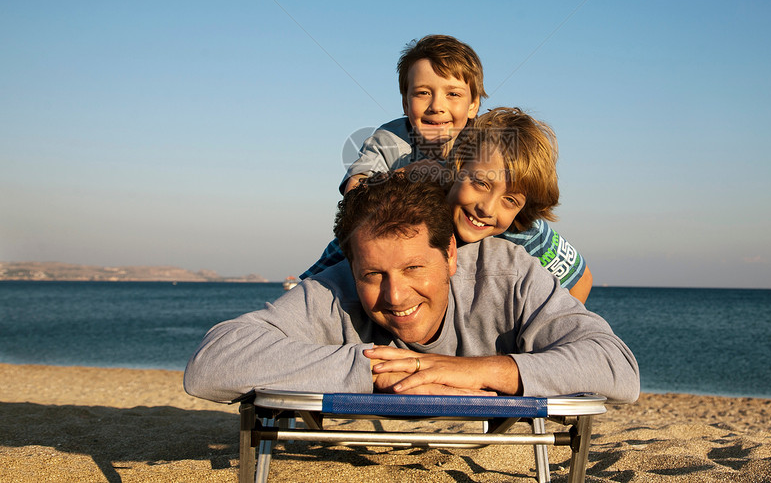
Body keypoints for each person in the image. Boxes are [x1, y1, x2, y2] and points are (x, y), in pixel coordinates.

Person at [184, 173, 639, 403]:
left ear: (450, 256)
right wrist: (384, 371)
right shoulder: (336, 286)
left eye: (414, 268)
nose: (395, 296)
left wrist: (473, 371)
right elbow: (212, 365)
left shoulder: (507, 272)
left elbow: (616, 367)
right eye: (373, 275)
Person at [305, 107, 594, 302]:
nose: (487, 209)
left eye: (510, 200)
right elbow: (319, 275)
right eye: (480, 183)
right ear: (454, 169)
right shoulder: (416, 211)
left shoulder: (525, 230)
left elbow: (581, 281)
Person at [341, 34, 484, 194]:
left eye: (453, 94)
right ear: (406, 104)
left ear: (473, 105)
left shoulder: (484, 143)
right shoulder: (389, 139)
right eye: (423, 93)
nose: (436, 106)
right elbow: (353, 192)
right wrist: (406, 174)